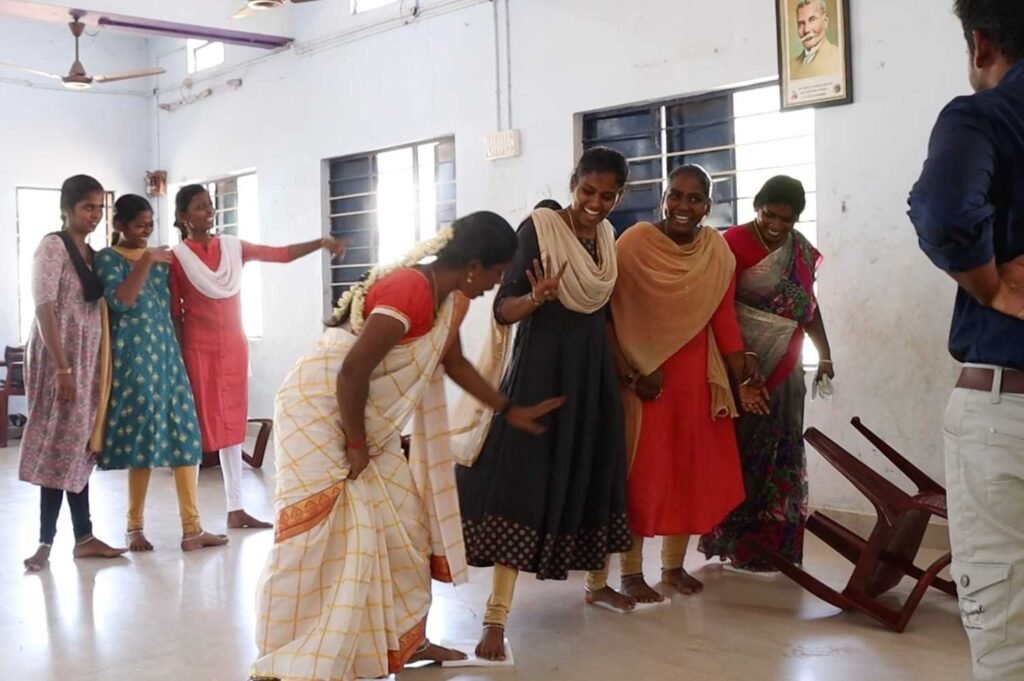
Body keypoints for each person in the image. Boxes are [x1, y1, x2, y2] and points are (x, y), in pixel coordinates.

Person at [249, 212, 562, 681]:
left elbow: (454, 363)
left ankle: (406, 641)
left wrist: (507, 408)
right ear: (473, 267)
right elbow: (351, 372)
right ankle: (289, 652)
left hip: (362, 421)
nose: (495, 284)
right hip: (318, 411)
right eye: (497, 273)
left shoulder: (451, 299)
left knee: (406, 530)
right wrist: (356, 445)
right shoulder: (410, 290)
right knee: (315, 536)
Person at [457, 147, 634, 661]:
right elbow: (503, 308)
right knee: (524, 483)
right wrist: (537, 298)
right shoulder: (538, 229)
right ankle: (495, 618)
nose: (595, 203)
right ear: (573, 182)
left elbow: (604, 315)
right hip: (541, 373)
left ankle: (597, 585)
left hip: (592, 374)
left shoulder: (607, 237)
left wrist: (624, 371)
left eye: (607, 196)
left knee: (594, 472)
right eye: (587, 191)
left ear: (619, 196)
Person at [586, 165, 769, 603]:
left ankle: (672, 567)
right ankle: (631, 573)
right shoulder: (634, 243)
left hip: (696, 380)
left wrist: (742, 375)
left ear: (708, 205)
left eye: (695, 198)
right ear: (664, 198)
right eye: (676, 195)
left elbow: (723, 318)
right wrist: (632, 372)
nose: (684, 205)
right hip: (645, 380)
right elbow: (609, 313)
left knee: (689, 471)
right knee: (642, 475)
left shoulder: (716, 252)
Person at [908, 3, 1024, 679]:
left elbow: (944, 210)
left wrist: (991, 287)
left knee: (1008, 644)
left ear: (981, 44)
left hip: (1008, 410)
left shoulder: (987, 116)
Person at [169, 185, 346, 530]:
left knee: (232, 425)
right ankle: (191, 522)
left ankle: (236, 508)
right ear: (182, 216)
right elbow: (176, 312)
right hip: (196, 350)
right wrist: (178, 359)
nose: (209, 211)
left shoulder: (233, 248)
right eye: (200, 206)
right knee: (196, 429)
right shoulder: (177, 258)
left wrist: (321, 243)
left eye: (210, 205)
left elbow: (280, 254)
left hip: (233, 348)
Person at [700, 176, 831, 572]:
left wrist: (825, 355)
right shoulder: (732, 244)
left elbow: (808, 308)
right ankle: (738, 544)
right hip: (743, 367)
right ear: (756, 206)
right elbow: (719, 308)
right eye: (769, 215)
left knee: (783, 454)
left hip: (787, 367)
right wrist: (741, 367)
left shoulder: (800, 251)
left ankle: (776, 547)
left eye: (785, 220)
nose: (775, 225)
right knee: (744, 453)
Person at [94, 195, 227, 552]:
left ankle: (192, 529)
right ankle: (133, 527)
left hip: (168, 356)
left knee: (185, 436)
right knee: (144, 439)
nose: (145, 232)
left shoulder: (162, 260)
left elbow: (173, 308)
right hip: (133, 358)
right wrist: (145, 260)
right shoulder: (108, 259)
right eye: (139, 226)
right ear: (119, 225)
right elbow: (121, 301)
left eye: (150, 225)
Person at [19, 175, 126, 571]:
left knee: (78, 448)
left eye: (99, 208)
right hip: (59, 360)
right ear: (67, 209)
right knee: (57, 448)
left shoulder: (92, 254)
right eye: (87, 207)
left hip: (85, 362)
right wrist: (62, 367)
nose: (94, 215)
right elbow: (44, 306)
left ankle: (84, 537)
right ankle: (45, 543)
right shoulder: (53, 247)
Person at [790, 0, 842, 80]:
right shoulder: (791, 66)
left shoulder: (838, 57)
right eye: (801, 24)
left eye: (812, 20)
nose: (806, 30)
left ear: (825, 22)